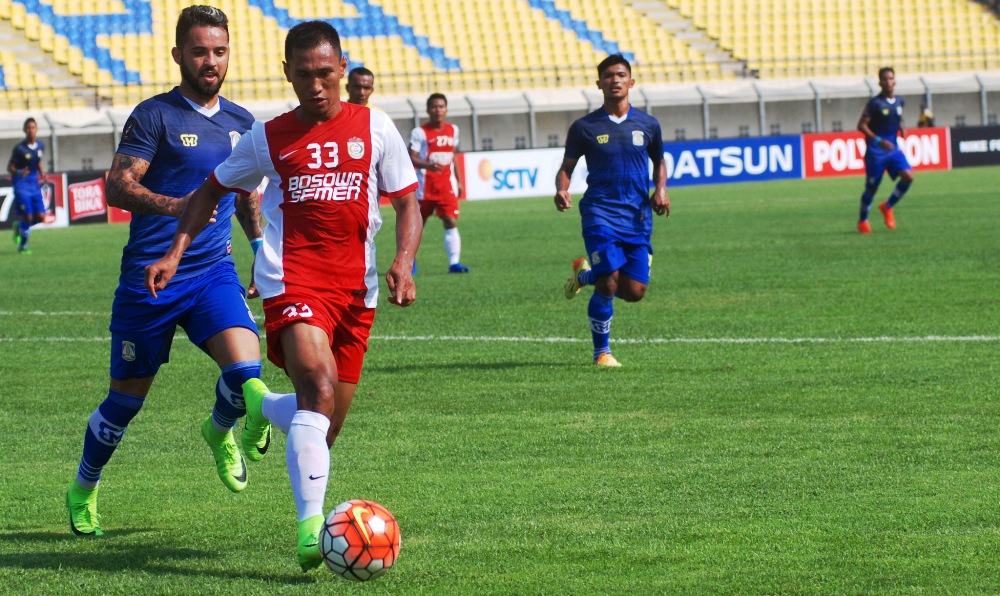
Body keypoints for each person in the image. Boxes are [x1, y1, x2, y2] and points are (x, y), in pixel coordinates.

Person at [145, 20, 421, 572]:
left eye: (325, 74)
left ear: (342, 69)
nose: (316, 86)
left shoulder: (375, 127)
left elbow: (408, 201)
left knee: (323, 421)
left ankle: (257, 406)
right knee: (316, 388)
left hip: (356, 291)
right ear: (287, 74)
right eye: (304, 75)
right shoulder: (267, 138)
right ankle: (312, 533)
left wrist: (403, 262)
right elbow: (210, 191)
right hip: (291, 281)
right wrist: (175, 253)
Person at [66, 5, 269, 538]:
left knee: (247, 373)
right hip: (148, 282)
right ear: (179, 55)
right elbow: (116, 185)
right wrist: (174, 205)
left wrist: (259, 248)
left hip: (212, 273)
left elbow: (246, 195)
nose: (210, 61)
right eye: (199, 51)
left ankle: (219, 429)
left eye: (219, 51)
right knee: (124, 405)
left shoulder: (242, 123)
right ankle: (84, 486)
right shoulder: (154, 116)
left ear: (229, 55)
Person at [555, 54, 670, 367]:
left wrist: (661, 189)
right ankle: (601, 353)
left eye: (621, 75)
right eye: (608, 76)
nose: (615, 80)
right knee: (609, 282)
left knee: (634, 291)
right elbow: (566, 167)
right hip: (599, 214)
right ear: (599, 84)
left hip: (637, 216)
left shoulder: (648, 124)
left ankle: (584, 275)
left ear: (631, 82)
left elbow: (659, 161)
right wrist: (562, 189)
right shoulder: (584, 127)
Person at [409, 92, 468, 273]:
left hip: (445, 187)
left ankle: (454, 263)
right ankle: (409, 261)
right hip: (423, 188)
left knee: (450, 220)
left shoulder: (453, 130)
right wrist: (428, 165)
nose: (437, 110)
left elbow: (453, 156)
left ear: (446, 109)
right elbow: (411, 157)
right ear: (428, 110)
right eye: (434, 107)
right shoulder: (420, 132)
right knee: (416, 225)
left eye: (441, 106)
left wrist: (458, 180)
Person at [856, 66, 914, 234]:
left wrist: (902, 127)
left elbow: (896, 116)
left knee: (908, 176)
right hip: (876, 152)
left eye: (890, 78)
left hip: (893, 149)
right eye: (885, 79)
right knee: (871, 189)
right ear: (880, 82)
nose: (888, 81)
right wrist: (878, 140)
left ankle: (887, 206)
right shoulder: (875, 103)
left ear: (894, 81)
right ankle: (863, 220)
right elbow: (861, 125)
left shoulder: (899, 101)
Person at [8, 117, 46, 254]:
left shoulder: (41, 146)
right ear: (25, 130)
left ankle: (19, 226)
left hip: (34, 185)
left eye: (33, 127)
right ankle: (23, 246)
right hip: (21, 185)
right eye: (28, 128)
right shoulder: (20, 149)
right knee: (28, 217)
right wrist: (19, 171)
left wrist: (42, 172)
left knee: (42, 217)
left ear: (36, 129)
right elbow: (10, 167)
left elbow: (38, 160)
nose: (31, 130)